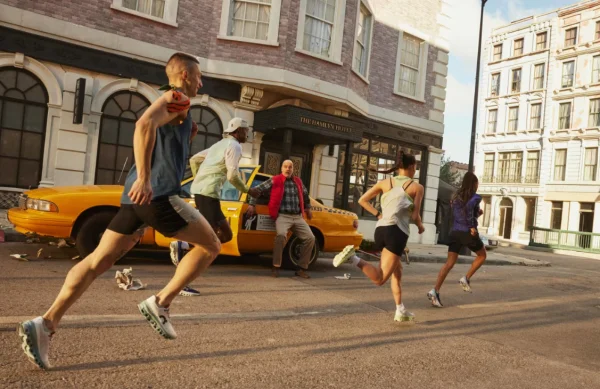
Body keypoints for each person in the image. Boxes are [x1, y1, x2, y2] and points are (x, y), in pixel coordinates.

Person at [18, 52, 222, 370]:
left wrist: (183, 138)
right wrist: (143, 176)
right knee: (210, 245)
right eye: (198, 76)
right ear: (183, 74)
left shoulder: (177, 109)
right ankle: (161, 302)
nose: (201, 82)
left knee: (97, 261)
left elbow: (154, 131)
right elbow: (143, 125)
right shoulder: (178, 97)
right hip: (158, 195)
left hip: (134, 201)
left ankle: (46, 323)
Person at [169, 117, 260, 296]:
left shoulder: (219, 144)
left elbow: (195, 160)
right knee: (209, 241)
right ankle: (183, 275)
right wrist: (249, 191)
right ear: (238, 131)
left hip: (206, 193)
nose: (247, 133)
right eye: (246, 130)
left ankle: (186, 246)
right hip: (208, 194)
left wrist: (199, 179)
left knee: (224, 235)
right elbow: (233, 175)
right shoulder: (234, 146)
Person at [332, 151, 424, 322]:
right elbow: (414, 215)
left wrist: (378, 214)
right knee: (380, 278)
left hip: (380, 229)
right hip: (396, 233)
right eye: (415, 167)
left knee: (397, 271)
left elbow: (362, 200)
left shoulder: (384, 183)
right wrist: (420, 226)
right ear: (411, 167)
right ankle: (353, 258)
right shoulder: (417, 187)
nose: (415, 170)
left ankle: (400, 309)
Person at [246, 160, 315, 278]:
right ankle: (276, 266)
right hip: (282, 216)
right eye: (285, 167)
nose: (288, 169)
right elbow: (256, 190)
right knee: (281, 236)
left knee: (310, 238)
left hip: (298, 216)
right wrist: (252, 204)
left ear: (293, 169)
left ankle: (301, 268)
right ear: (281, 169)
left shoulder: (298, 181)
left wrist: (308, 208)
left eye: (290, 167)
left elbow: (305, 195)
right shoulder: (275, 180)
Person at [427, 172, 486, 308]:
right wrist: (472, 226)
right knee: (482, 255)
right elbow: (470, 208)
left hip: (455, 232)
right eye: (477, 183)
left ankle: (435, 291)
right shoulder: (475, 197)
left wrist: (477, 214)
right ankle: (466, 278)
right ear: (473, 184)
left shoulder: (456, 196)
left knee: (449, 263)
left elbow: (464, 212)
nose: (478, 186)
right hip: (467, 232)